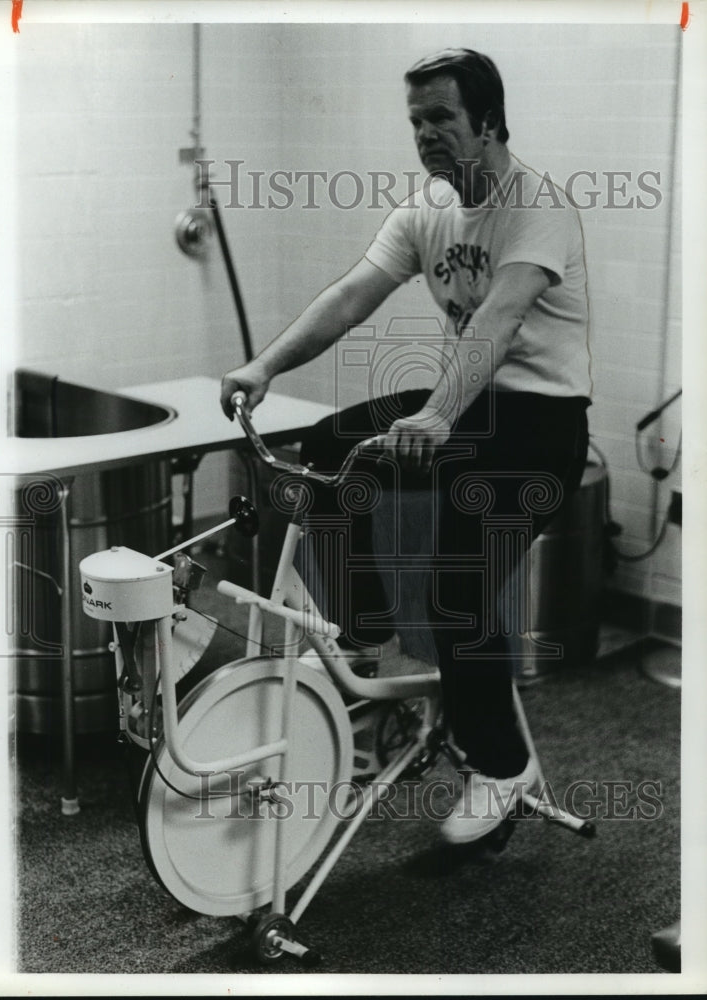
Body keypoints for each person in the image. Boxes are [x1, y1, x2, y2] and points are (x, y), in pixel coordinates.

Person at [220, 48, 591, 845]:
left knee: (458, 585)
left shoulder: (537, 205)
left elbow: (500, 319)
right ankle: (371, 634)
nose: (423, 134)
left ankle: (501, 768)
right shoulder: (425, 209)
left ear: (486, 121)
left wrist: (437, 414)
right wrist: (263, 364)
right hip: (465, 403)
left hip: (540, 424)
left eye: (440, 118)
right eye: (415, 120)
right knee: (322, 450)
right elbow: (351, 295)